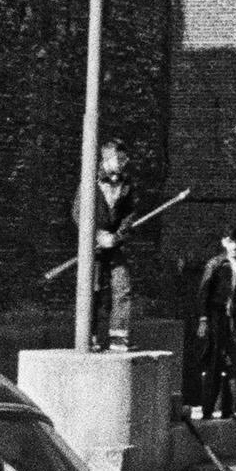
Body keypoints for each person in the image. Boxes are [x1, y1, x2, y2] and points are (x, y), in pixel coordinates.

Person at [76, 140, 138, 349]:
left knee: (123, 287)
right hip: (93, 247)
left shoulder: (127, 184)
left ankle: (119, 338)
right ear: (106, 159)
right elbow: (78, 212)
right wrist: (95, 235)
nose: (122, 163)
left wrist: (117, 237)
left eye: (124, 159)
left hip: (114, 245)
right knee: (93, 290)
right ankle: (90, 336)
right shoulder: (90, 181)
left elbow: (129, 215)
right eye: (118, 159)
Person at [195, 221, 236, 418]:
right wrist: (203, 319)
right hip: (216, 317)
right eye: (231, 241)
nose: (235, 246)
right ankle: (207, 410)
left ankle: (228, 411)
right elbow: (204, 293)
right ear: (223, 242)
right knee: (213, 363)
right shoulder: (216, 264)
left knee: (232, 363)